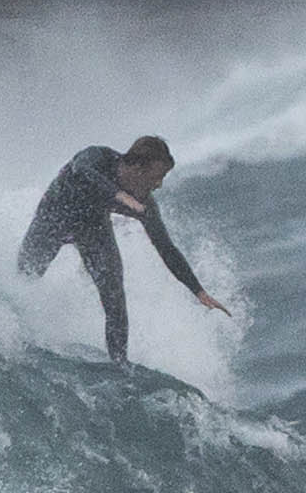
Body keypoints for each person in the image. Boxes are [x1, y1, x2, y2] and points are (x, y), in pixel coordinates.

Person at [17, 136, 230, 363]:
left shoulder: (144, 203)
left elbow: (166, 248)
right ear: (137, 167)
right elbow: (80, 170)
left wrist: (198, 291)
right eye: (157, 176)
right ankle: (12, 331)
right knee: (24, 277)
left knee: (115, 298)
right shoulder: (99, 156)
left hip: (93, 228)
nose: (159, 184)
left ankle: (119, 365)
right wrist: (119, 196)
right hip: (54, 218)